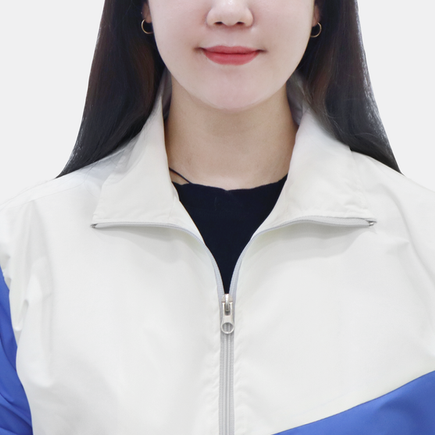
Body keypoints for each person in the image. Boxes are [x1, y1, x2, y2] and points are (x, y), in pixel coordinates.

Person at [1, 0, 435, 433]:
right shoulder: (24, 251)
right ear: (144, 7)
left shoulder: (423, 242)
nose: (230, 11)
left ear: (319, 8)